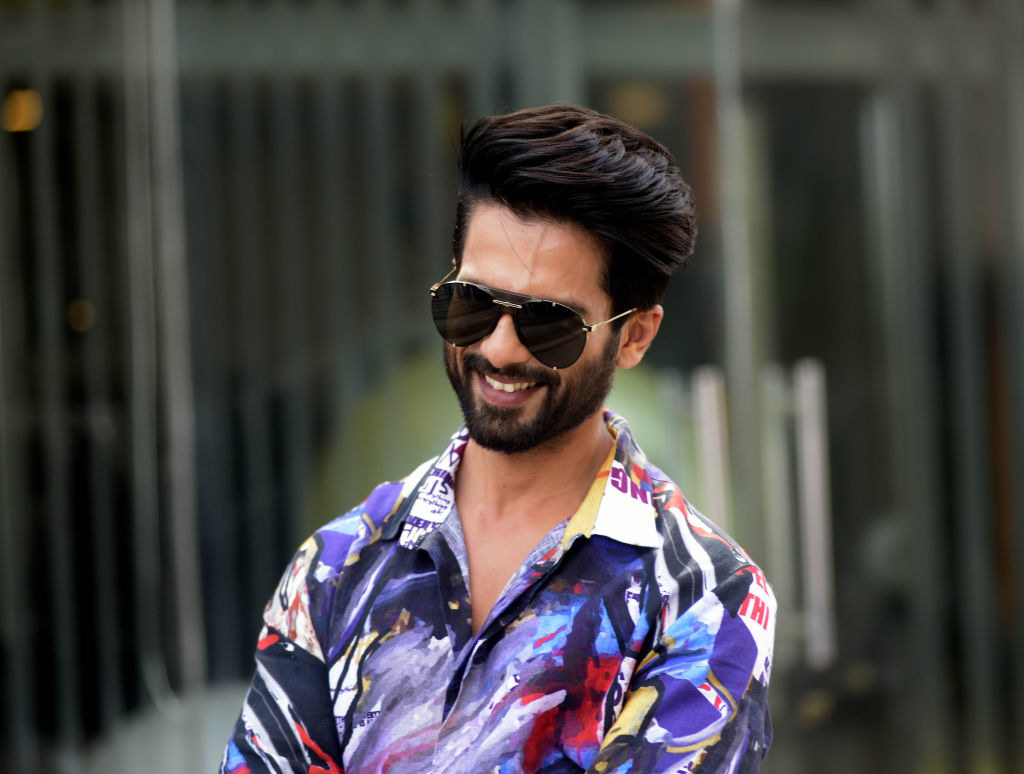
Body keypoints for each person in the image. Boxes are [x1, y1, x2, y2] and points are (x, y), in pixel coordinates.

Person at [221, 104, 775, 774]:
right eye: (473, 305)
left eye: (551, 324)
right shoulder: (337, 569)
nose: (499, 348)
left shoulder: (703, 598)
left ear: (634, 336)